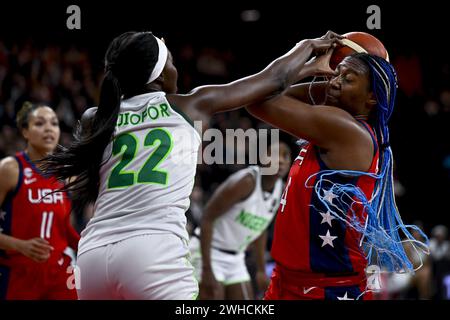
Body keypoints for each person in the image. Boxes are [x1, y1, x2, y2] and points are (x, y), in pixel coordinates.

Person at [41, 31, 341, 299]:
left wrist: (306, 67)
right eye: (170, 61)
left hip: (93, 254)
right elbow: (271, 81)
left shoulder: (97, 117)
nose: (176, 67)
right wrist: (308, 45)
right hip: (153, 251)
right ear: (158, 76)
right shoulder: (190, 105)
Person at [246, 46, 429, 300]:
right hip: (291, 280)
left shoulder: (344, 130)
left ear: (372, 97)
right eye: (335, 74)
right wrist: (333, 82)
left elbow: (256, 99)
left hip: (327, 288)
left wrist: (307, 58)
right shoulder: (332, 129)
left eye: (348, 79)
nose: (334, 81)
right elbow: (260, 96)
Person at [190, 141, 291, 300]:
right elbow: (207, 217)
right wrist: (206, 268)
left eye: (286, 157)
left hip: (236, 257)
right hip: (208, 252)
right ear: (263, 158)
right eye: (276, 155)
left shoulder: (281, 189)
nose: (281, 161)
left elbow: (261, 228)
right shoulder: (246, 181)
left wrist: (260, 269)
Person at [0, 102, 80, 300]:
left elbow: (64, 229)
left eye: (54, 123)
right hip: (18, 274)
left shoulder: (65, 174)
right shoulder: (9, 169)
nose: (48, 129)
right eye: (39, 123)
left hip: (60, 273)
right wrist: (20, 245)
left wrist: (89, 247)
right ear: (25, 132)